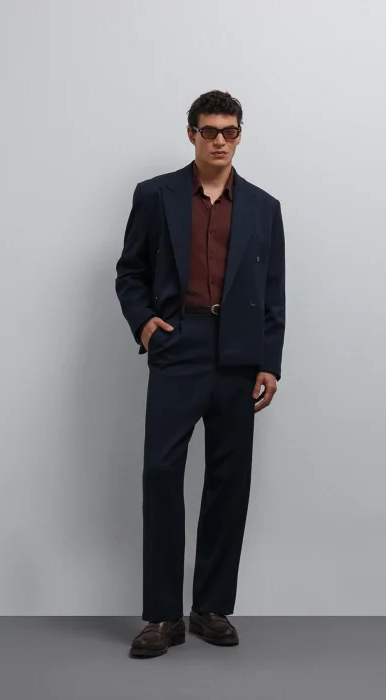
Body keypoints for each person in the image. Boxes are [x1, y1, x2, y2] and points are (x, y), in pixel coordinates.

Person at [115, 90, 286, 658]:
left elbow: (273, 292)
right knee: (161, 473)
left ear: (239, 135)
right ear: (191, 133)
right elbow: (129, 272)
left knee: (229, 481)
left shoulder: (264, 207)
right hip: (178, 344)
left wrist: (269, 362)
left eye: (229, 131)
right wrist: (145, 324)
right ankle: (163, 616)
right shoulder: (155, 195)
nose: (219, 140)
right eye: (209, 130)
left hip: (239, 354)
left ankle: (210, 607)